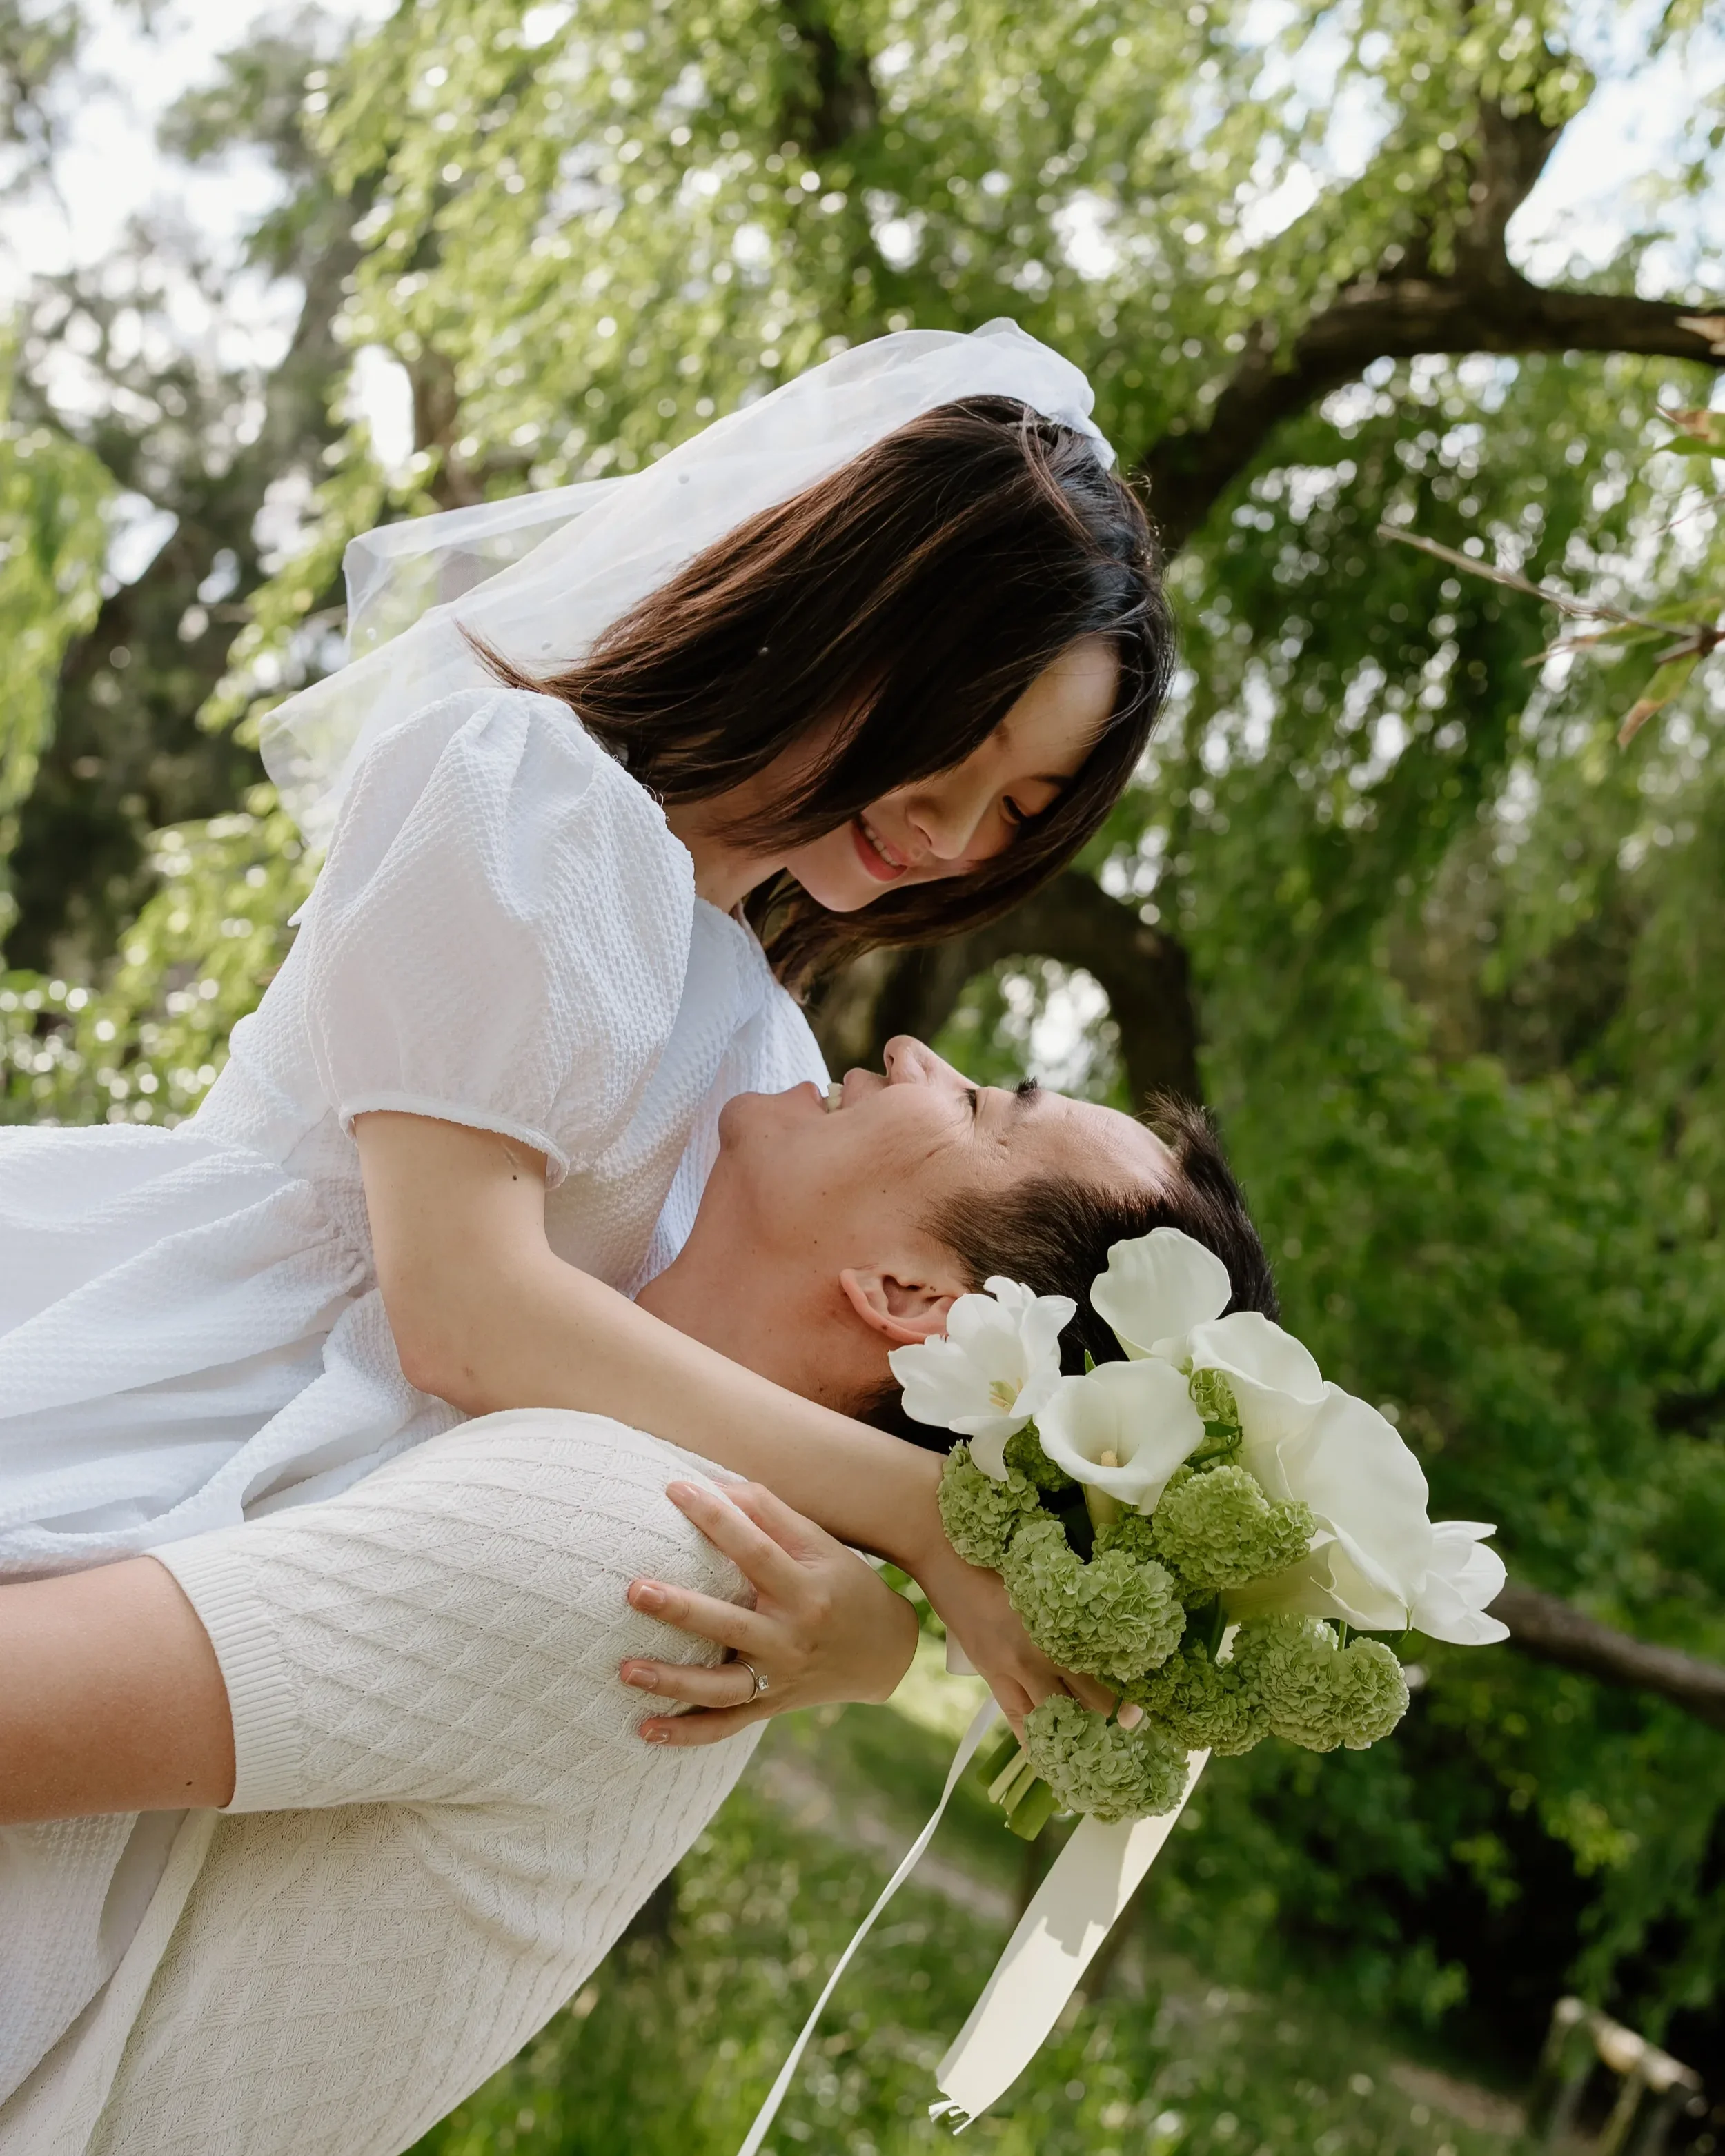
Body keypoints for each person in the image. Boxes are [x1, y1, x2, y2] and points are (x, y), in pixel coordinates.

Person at [0, 1044, 1276, 2156]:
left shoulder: (628, 1539)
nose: (912, 1052)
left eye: (987, 1108)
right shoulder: (661, 1457)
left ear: (908, 1299)